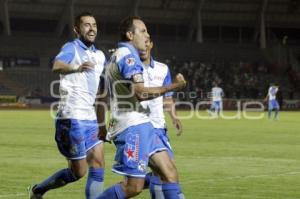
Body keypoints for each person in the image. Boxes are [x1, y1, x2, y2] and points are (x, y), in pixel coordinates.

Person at [97, 16, 186, 199]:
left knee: (169, 174)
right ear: (130, 35)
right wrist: (174, 87)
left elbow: (101, 96)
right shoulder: (129, 57)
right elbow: (141, 93)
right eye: (143, 31)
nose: (147, 35)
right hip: (132, 127)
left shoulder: (113, 57)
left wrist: (101, 126)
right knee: (133, 187)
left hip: (143, 124)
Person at [28, 12, 107, 199]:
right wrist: (75, 68)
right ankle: (38, 190)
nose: (91, 28)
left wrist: (102, 123)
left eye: (94, 25)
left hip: (90, 119)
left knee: (98, 163)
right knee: (78, 172)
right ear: (77, 29)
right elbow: (56, 65)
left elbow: (102, 90)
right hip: (72, 118)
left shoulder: (100, 56)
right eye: (86, 25)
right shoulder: (72, 48)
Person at [140, 39, 184, 198]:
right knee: (165, 172)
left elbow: (167, 99)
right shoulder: (132, 69)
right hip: (140, 127)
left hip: (159, 128)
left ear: (151, 44)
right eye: (140, 42)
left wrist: (174, 117)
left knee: (161, 174)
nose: (143, 45)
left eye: (147, 42)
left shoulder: (162, 69)